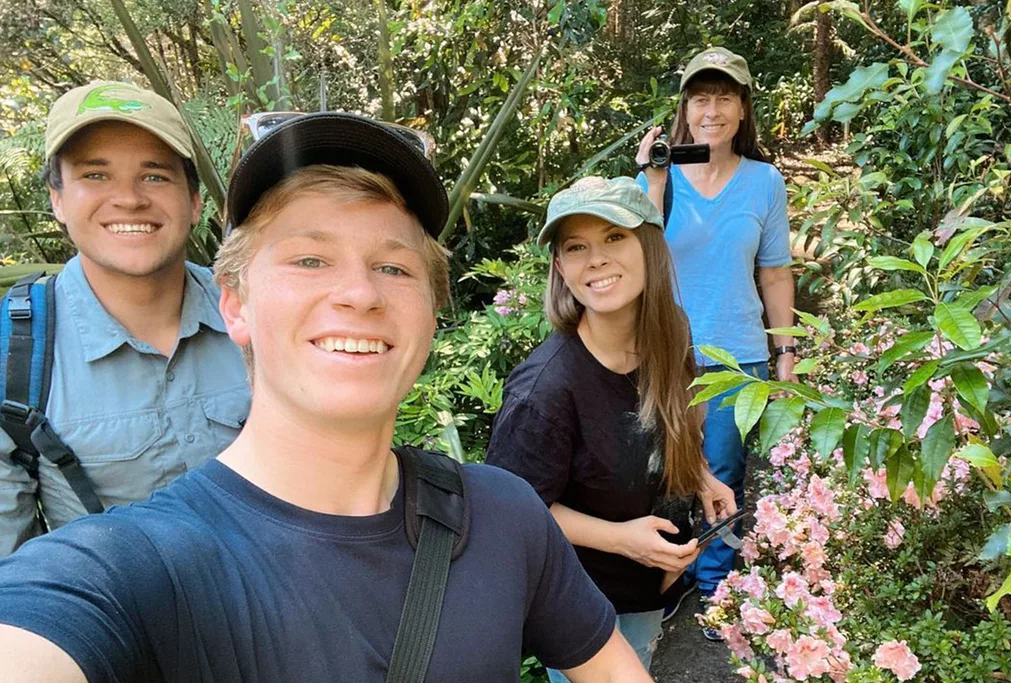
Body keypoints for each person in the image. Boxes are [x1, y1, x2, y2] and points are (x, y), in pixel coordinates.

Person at [0, 112, 655, 683]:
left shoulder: (505, 518)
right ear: (235, 304)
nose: (360, 293)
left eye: (394, 266)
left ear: (431, 313)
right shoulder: (135, 566)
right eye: (310, 259)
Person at [486, 176, 737, 679]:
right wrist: (622, 539)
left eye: (614, 237)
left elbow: (667, 426)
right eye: (576, 247)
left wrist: (699, 475)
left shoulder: (673, 333)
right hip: (584, 606)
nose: (596, 259)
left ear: (650, 244)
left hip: (652, 583)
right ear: (560, 267)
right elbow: (512, 511)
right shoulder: (546, 389)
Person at [0, 81, 250, 557]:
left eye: (155, 176)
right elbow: (12, 585)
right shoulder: (16, 352)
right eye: (96, 175)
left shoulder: (263, 314)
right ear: (58, 200)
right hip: (113, 624)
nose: (129, 199)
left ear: (194, 201)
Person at [635, 47, 797, 638]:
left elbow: (776, 273)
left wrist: (786, 356)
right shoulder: (657, 176)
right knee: (661, 470)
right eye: (701, 97)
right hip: (663, 353)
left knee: (724, 470)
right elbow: (637, 257)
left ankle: (716, 588)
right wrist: (653, 180)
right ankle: (667, 578)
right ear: (685, 107)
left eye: (725, 96)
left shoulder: (764, 182)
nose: (712, 109)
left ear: (743, 106)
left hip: (739, 355)